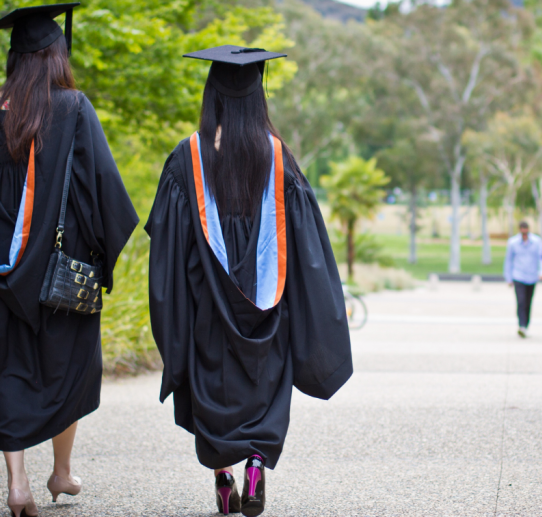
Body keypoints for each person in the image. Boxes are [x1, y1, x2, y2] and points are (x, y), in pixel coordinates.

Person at [0, 5, 139, 516]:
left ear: (14, 58)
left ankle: (18, 482)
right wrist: (99, 258)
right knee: (65, 370)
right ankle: (62, 472)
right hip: (57, 277)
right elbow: (106, 195)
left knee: (5, 372)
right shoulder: (71, 108)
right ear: (56, 57)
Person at [146, 45, 353, 517]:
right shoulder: (278, 157)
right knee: (263, 388)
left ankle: (223, 478)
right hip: (268, 312)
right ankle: (256, 464)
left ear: (211, 96)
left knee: (211, 391)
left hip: (206, 313)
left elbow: (167, 247)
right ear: (258, 97)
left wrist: (172, 313)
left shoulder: (187, 158)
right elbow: (307, 247)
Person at [503, 221, 542, 337]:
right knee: (521, 301)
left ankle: (526, 325)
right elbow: (508, 260)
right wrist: (508, 278)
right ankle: (521, 325)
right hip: (518, 276)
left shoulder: (536, 242)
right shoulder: (513, 243)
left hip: (532, 276)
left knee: (528, 302)